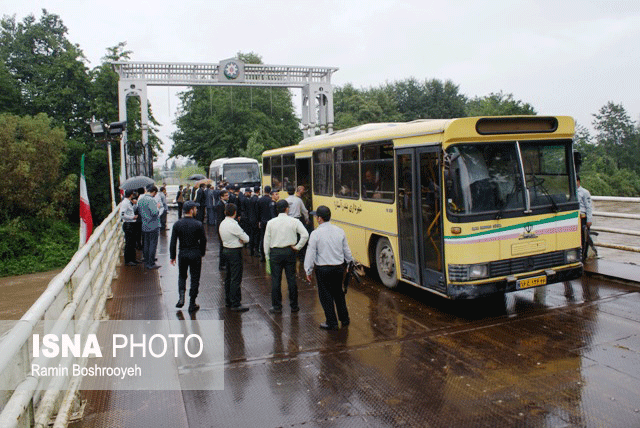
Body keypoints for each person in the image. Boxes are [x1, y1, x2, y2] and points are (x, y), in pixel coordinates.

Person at [304, 205, 353, 330]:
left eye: (316, 216)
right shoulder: (339, 230)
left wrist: (308, 270)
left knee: (326, 295)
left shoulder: (315, 234)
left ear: (320, 218)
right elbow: (346, 250)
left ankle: (331, 321)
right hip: (338, 268)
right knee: (339, 293)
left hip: (323, 269)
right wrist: (349, 263)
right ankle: (345, 318)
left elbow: (310, 253)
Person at [263, 199, 309, 314]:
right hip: (290, 252)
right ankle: (294, 306)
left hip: (275, 253)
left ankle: (277, 306)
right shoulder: (294, 221)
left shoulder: (271, 222)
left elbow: (266, 241)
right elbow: (305, 235)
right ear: (287, 209)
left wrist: (267, 255)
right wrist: (298, 247)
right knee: (291, 279)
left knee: (276, 280)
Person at [170, 200, 207, 312]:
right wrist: (202, 252)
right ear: (191, 210)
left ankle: (181, 298)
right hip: (195, 253)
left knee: (182, 276)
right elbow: (203, 240)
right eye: (195, 209)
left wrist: (173, 256)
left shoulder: (177, 224)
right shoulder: (198, 224)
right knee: (195, 278)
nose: (196, 210)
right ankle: (192, 303)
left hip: (183, 253)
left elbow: (173, 242)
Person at [219, 203, 250, 312]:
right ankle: (235, 302)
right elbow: (246, 238)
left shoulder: (222, 223)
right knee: (236, 277)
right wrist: (240, 240)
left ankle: (228, 300)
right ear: (235, 212)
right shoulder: (234, 224)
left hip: (226, 249)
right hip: (235, 251)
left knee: (228, 277)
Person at [137, 185, 161, 270]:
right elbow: (154, 213)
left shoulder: (140, 200)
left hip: (144, 224)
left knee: (146, 244)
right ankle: (151, 263)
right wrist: (158, 208)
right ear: (154, 192)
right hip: (153, 225)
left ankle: (146, 261)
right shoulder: (151, 200)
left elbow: (139, 211)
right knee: (152, 244)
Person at [120, 189, 139, 266]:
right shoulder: (125, 203)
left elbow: (131, 211)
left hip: (131, 224)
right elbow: (122, 214)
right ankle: (128, 260)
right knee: (129, 243)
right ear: (131, 195)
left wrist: (134, 204)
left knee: (132, 242)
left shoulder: (128, 202)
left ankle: (133, 259)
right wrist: (132, 217)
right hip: (128, 224)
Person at [577, 175, 593, 259]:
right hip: (576, 218)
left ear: (578, 181)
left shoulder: (584, 192)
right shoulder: (572, 192)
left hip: (583, 218)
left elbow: (589, 207)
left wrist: (589, 220)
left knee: (584, 237)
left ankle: (584, 255)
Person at [257, 185, 275, 261]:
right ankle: (269, 254)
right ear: (270, 191)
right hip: (270, 221)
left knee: (262, 238)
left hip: (262, 221)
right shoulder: (271, 200)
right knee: (270, 238)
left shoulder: (260, 200)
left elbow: (258, 211)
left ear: (264, 190)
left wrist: (259, 221)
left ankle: (262, 255)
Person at [215, 189, 230, 270]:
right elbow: (220, 218)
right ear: (221, 197)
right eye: (226, 195)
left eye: (228, 195)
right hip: (221, 227)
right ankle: (222, 264)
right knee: (222, 246)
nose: (228, 197)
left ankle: (223, 263)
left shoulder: (223, 203)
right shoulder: (220, 205)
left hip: (222, 227)